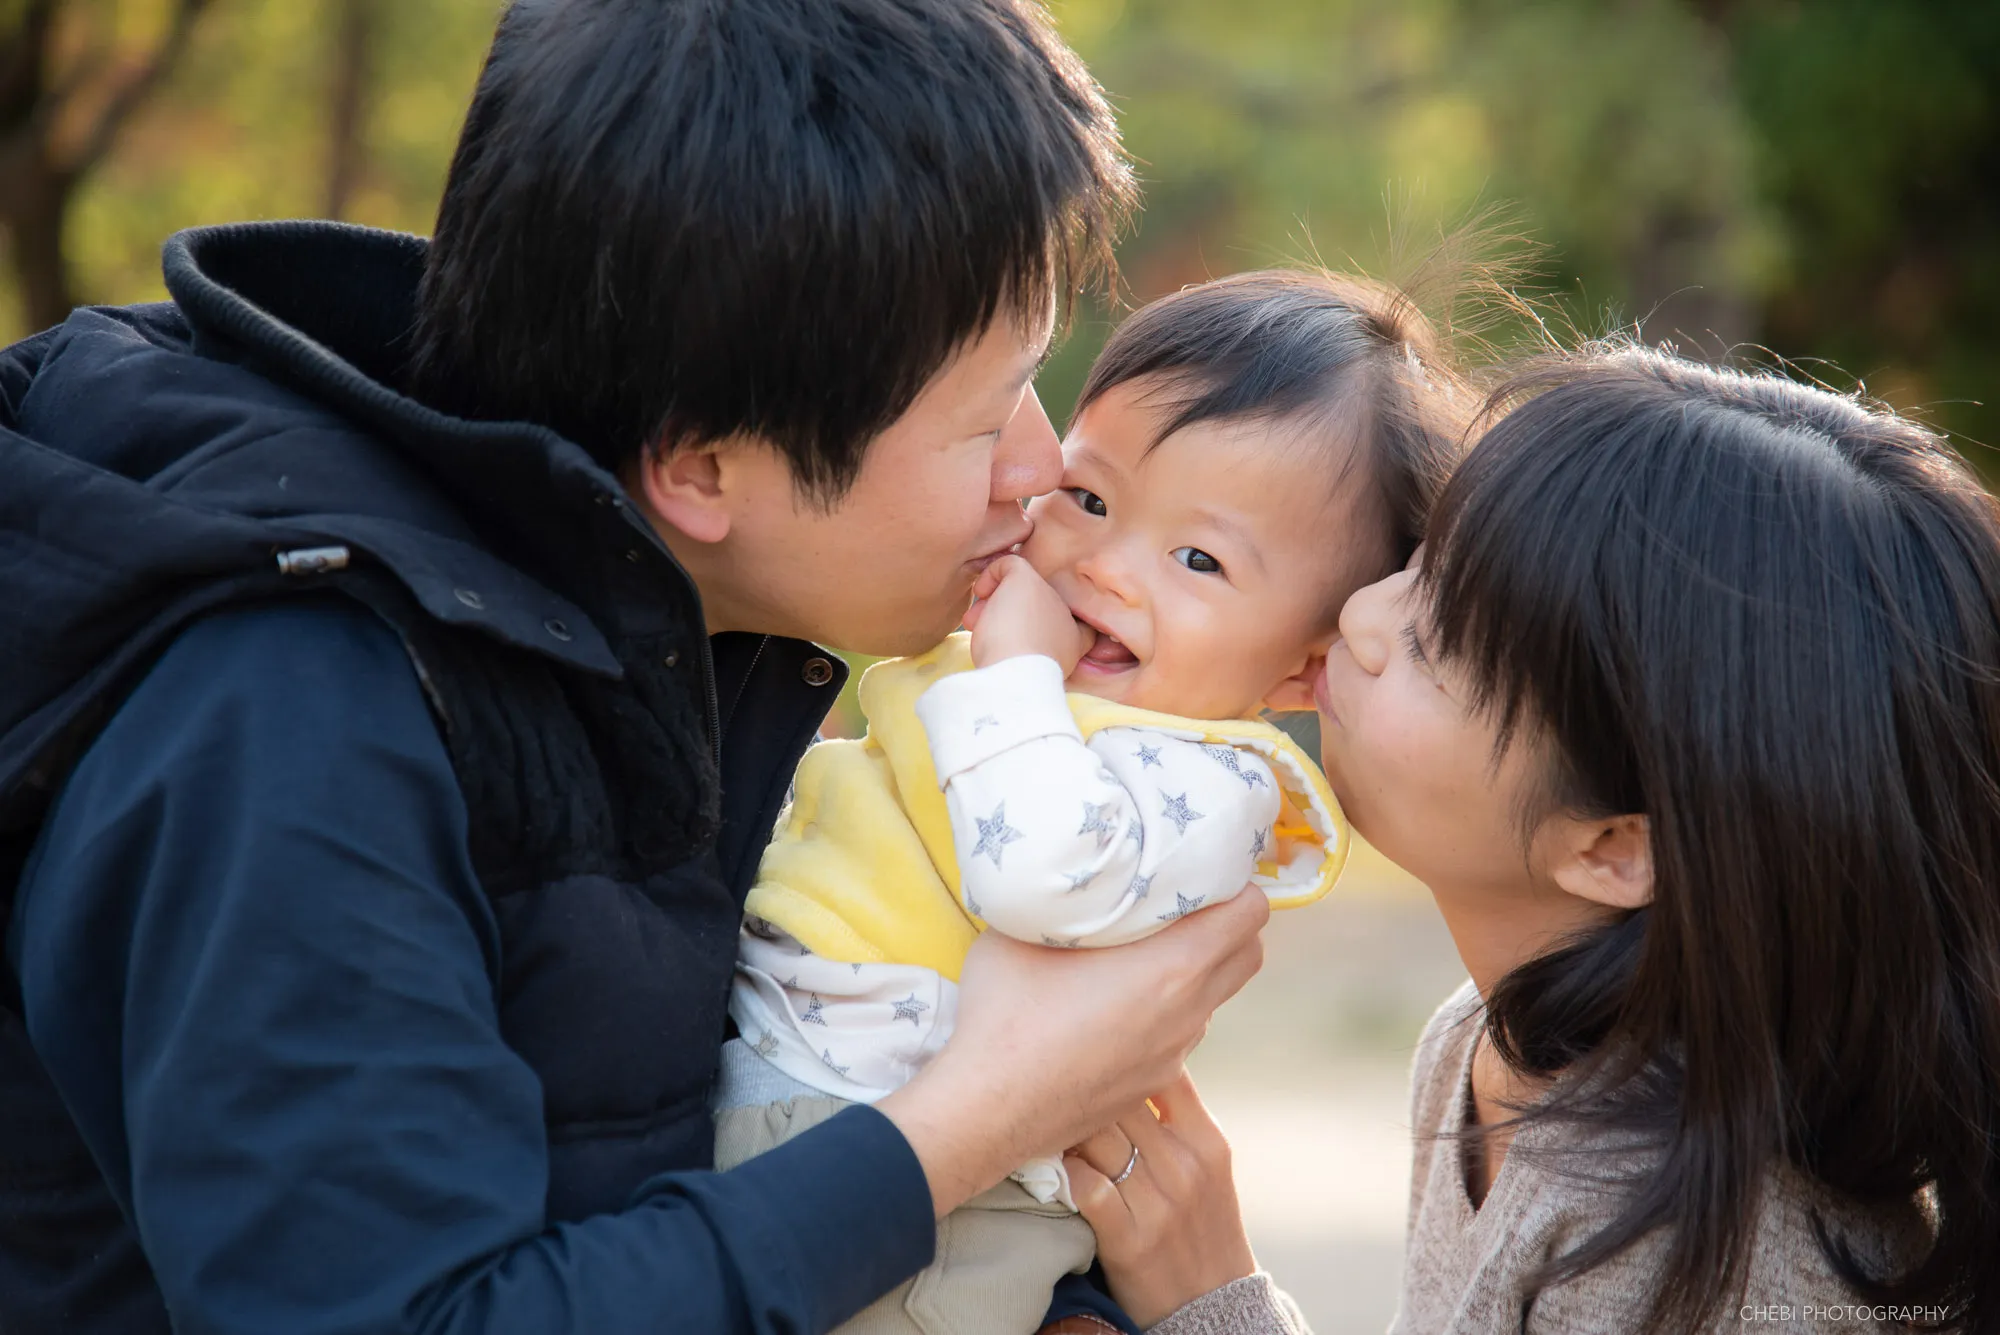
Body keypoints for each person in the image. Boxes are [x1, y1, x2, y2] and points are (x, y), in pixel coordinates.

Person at [0, 2, 1272, 1333]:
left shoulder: (678, 623)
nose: (1043, 464)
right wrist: (984, 1110)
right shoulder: (295, 713)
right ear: (704, 467)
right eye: (980, 417)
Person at [1062, 345, 2000, 1332]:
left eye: (1436, 642)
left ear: (1614, 849)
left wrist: (1211, 1301)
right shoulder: (1486, 1042)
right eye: (1417, 569)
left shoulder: (1695, 1242)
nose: (1358, 617)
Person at [714, 270, 1473, 1335]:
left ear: (1302, 669)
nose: (1103, 566)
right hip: (782, 1105)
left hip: (944, 1221)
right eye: (1089, 499)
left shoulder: (1211, 782)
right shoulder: (987, 660)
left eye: (1198, 559)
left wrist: (1009, 671)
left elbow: (1041, 877)